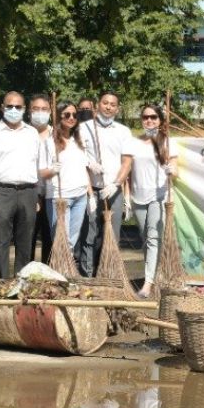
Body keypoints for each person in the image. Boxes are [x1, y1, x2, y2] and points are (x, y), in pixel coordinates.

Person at [116, 104, 179, 298]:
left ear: (160, 121)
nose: (149, 121)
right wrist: (126, 197)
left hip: (158, 196)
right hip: (138, 197)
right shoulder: (133, 143)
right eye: (145, 117)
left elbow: (175, 171)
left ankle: (147, 284)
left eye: (153, 117)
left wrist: (171, 171)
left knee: (153, 238)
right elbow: (128, 172)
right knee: (146, 240)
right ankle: (154, 275)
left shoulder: (168, 143)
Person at [0, 91, 41, 277]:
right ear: (2, 107)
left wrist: (36, 195)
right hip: (2, 191)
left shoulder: (32, 133)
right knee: (1, 240)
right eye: (9, 106)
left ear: (24, 109)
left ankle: (22, 281)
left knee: (26, 240)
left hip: (28, 192)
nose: (13, 110)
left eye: (18, 107)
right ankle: (3, 282)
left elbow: (36, 165)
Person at [80, 90, 132, 277]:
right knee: (89, 234)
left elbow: (127, 162)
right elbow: (79, 157)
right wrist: (89, 164)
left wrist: (116, 185)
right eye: (105, 103)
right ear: (97, 104)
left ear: (117, 109)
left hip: (113, 190)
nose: (108, 107)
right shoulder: (84, 127)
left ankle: (108, 274)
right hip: (91, 189)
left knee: (111, 235)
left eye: (112, 104)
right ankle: (87, 275)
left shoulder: (123, 131)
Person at [39, 100, 92, 270]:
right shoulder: (49, 142)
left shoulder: (79, 140)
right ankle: (61, 272)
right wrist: (52, 170)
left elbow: (84, 169)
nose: (71, 118)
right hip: (59, 197)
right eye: (67, 115)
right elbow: (42, 173)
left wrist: (90, 194)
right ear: (59, 116)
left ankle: (66, 273)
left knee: (72, 241)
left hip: (80, 196)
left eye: (75, 115)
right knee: (62, 240)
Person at [28, 94, 54, 264]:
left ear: (50, 111)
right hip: (30, 194)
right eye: (36, 109)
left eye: (44, 109)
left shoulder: (57, 134)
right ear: (29, 111)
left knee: (49, 238)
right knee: (27, 238)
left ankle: (48, 276)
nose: (40, 113)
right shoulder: (24, 133)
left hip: (52, 195)